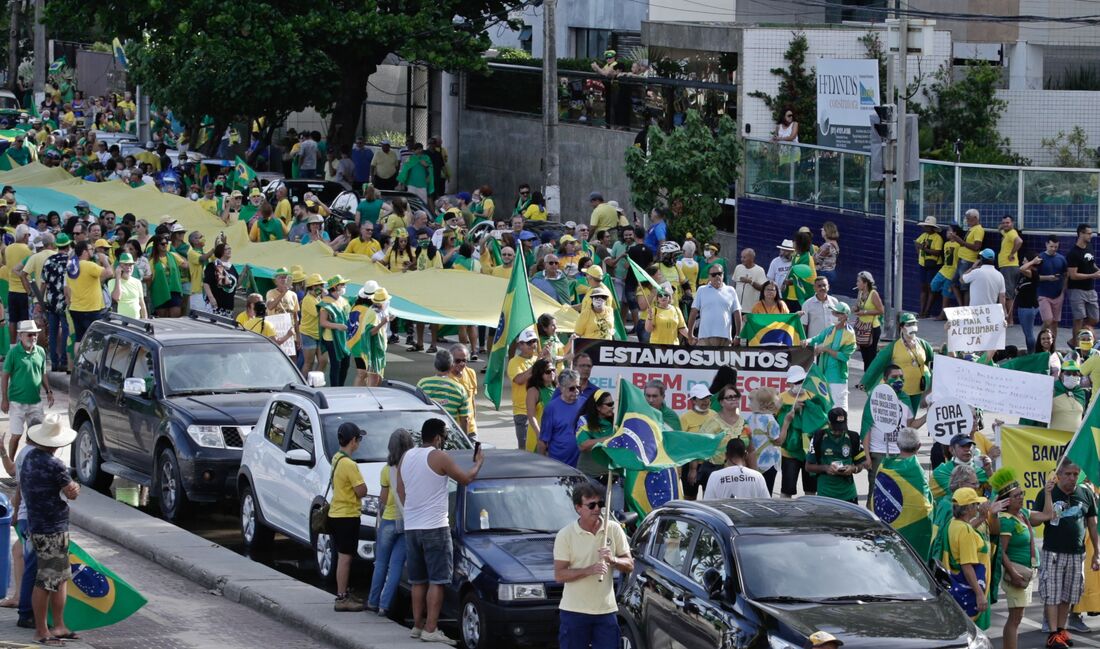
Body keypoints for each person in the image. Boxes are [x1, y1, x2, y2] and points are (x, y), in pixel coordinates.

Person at [397, 418, 484, 645]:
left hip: (412, 526)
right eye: (444, 437)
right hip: (435, 526)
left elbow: (400, 488)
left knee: (417, 580)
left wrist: (413, 510)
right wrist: (478, 463)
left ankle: (417, 626)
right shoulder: (438, 456)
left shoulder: (407, 456)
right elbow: (465, 478)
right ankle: (431, 628)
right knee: (437, 580)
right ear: (437, 437)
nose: (444, 441)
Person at [20, 414, 80, 646]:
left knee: (58, 579)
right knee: (47, 582)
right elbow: (72, 493)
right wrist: (74, 487)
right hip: (52, 529)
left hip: (38, 525)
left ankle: (59, 626)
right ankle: (42, 631)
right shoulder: (55, 465)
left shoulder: (30, 458)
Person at [553, 483, 632, 649]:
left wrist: (613, 560)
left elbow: (629, 564)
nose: (597, 509)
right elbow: (559, 575)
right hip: (574, 611)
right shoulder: (565, 535)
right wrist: (589, 570)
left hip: (605, 611)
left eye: (600, 504)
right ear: (578, 508)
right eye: (591, 505)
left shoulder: (614, 529)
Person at [1034, 460, 1100, 648]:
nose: (1072, 478)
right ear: (1059, 474)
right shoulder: (1049, 492)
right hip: (1053, 552)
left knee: (1068, 595)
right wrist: (1047, 495)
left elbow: (1093, 523)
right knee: (1053, 594)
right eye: (1068, 474)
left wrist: (1097, 551)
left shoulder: (1085, 492)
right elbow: (1036, 521)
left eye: (1075, 474)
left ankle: (1061, 630)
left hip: (1077, 553)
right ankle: (1053, 634)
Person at [994, 467, 1054, 649]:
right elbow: (1000, 551)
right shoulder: (1005, 520)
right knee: (1015, 619)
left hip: (1025, 573)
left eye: (1022, 493)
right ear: (1006, 501)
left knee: (1017, 618)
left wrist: (1048, 493)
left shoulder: (1023, 514)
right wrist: (1012, 572)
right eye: (1016, 495)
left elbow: (1047, 515)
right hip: (1016, 573)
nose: (1021, 497)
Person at [366, 429, 414, 616]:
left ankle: (372, 601)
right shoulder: (411, 469)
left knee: (380, 564)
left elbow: (384, 499)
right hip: (405, 521)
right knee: (395, 566)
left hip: (388, 521)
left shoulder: (386, 470)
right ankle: (384, 606)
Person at [327, 422, 367, 611]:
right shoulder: (350, 465)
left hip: (336, 514)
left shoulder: (336, 458)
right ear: (353, 441)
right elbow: (361, 491)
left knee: (342, 556)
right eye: (358, 439)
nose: (359, 443)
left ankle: (343, 593)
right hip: (347, 516)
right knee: (345, 558)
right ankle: (342, 598)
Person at [940, 487, 993, 627]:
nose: (977, 507)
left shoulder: (953, 523)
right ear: (968, 508)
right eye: (975, 504)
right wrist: (979, 595)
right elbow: (967, 566)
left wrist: (981, 518)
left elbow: (967, 526)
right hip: (969, 589)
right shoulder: (966, 531)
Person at [861, 313, 932, 412]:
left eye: (914, 324)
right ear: (902, 327)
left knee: (912, 417)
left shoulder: (923, 344)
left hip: (918, 388)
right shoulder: (893, 347)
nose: (913, 327)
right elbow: (878, 363)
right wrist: (865, 381)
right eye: (909, 325)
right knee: (902, 418)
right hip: (901, 389)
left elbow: (933, 361)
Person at [3, 321, 53, 458]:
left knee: (36, 435)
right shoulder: (13, 353)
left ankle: (31, 463)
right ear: (21, 336)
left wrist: (49, 391)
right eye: (30, 335)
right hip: (16, 402)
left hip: (35, 401)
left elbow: (43, 374)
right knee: (16, 435)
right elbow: (5, 376)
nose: (33, 337)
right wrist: (4, 400)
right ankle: (11, 464)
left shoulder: (40, 351)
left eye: (35, 334)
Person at [777, 365, 828, 498]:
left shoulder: (813, 396)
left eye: (801, 381)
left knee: (811, 490)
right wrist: (791, 410)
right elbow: (776, 422)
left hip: (809, 452)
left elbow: (822, 420)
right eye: (795, 382)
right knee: (786, 490)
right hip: (789, 453)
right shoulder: (780, 398)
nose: (799, 385)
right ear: (788, 383)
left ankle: (811, 517)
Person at [698, 385, 753, 491]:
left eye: (735, 396)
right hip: (715, 472)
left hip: (740, 474)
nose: (733, 399)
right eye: (729, 397)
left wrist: (755, 474)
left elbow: (751, 451)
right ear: (721, 402)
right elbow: (701, 448)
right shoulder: (712, 423)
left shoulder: (744, 424)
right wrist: (693, 469)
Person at [806, 408, 866, 504]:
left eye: (841, 428)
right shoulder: (818, 436)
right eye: (835, 428)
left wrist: (853, 468)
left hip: (849, 494)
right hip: (825, 495)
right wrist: (825, 468)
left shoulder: (853, 437)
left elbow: (861, 465)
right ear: (829, 423)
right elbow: (808, 467)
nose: (838, 432)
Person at [803, 302, 856, 410]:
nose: (834, 315)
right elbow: (818, 338)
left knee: (839, 406)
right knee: (826, 405)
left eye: (837, 313)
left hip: (837, 376)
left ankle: (841, 426)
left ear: (845, 316)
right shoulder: (831, 329)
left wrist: (826, 349)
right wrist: (807, 341)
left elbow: (844, 356)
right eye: (833, 312)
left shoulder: (849, 334)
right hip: (824, 373)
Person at [65, 240, 112, 354]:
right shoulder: (89, 265)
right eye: (91, 249)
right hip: (91, 309)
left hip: (76, 308)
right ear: (85, 251)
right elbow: (110, 273)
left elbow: (68, 288)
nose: (93, 251)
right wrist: (104, 260)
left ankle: (78, 364)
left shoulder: (71, 266)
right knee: (96, 340)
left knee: (79, 339)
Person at [538, 369, 586, 467]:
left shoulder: (585, 404)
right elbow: (543, 441)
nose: (576, 391)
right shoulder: (551, 408)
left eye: (578, 387)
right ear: (561, 388)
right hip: (558, 464)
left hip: (581, 464)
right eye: (572, 388)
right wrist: (541, 466)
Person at [417, 349, 470, 435]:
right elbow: (465, 419)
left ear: (435, 365)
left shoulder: (423, 384)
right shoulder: (459, 388)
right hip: (450, 435)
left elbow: (417, 411)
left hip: (427, 434)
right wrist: (465, 441)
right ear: (451, 366)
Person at [688, 265, 742, 346]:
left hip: (725, 339)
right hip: (705, 338)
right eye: (713, 275)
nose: (717, 276)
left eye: (719, 274)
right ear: (709, 277)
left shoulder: (731, 290)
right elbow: (693, 313)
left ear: (723, 275)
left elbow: (737, 313)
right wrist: (690, 335)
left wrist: (738, 335)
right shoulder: (701, 290)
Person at [701, 438, 769, 500]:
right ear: (745, 455)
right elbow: (767, 503)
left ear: (726, 455)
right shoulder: (758, 476)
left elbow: (708, 503)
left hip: (723, 513)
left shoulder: (715, 476)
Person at [508, 329, 541, 449]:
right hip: (523, 412)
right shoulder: (514, 362)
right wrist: (538, 364)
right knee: (525, 449)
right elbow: (519, 380)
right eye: (529, 342)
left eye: (534, 341)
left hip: (539, 410)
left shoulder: (538, 358)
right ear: (520, 345)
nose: (533, 345)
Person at [1067, 223, 1100, 339]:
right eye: (1089, 233)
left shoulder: (1089, 246)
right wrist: (1092, 275)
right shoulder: (1073, 253)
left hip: (1090, 289)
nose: (1091, 235)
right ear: (1081, 234)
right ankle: (1077, 347)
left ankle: (1075, 339)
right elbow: (1073, 275)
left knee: (1095, 318)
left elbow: (1091, 263)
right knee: (1078, 319)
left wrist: (1097, 270)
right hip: (1076, 290)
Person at [574, 389, 616, 479]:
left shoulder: (617, 421)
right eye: (609, 404)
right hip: (589, 476)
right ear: (598, 407)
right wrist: (609, 438)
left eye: (612, 404)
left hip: (612, 477)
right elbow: (583, 445)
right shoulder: (585, 420)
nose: (612, 407)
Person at [318, 276, 351, 388]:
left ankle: (340, 387)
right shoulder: (325, 302)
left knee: (346, 364)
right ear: (335, 287)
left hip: (344, 337)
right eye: (342, 285)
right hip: (331, 338)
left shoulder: (344, 300)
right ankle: (335, 389)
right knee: (336, 365)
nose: (344, 287)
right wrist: (337, 326)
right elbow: (322, 322)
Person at [949, 209, 986, 304]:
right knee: (954, 283)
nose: (967, 221)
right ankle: (962, 306)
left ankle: (966, 309)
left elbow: (977, 247)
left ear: (975, 218)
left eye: (968, 219)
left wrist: (961, 241)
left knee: (965, 286)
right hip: (962, 259)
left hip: (968, 260)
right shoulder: (971, 229)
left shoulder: (978, 229)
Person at [1039, 235, 1070, 343]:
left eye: (1056, 247)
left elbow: (1066, 275)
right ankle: (1040, 341)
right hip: (1043, 294)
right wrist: (1048, 278)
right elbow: (1034, 277)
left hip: (1057, 295)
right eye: (1051, 246)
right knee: (1048, 320)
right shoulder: (1040, 258)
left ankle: (1052, 346)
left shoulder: (1061, 259)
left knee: (1055, 323)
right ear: (1046, 244)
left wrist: (1063, 292)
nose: (1053, 249)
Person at [524, 359, 557, 453]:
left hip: (554, 435)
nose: (552, 373)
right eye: (548, 371)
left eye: (553, 370)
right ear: (539, 373)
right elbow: (531, 416)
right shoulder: (533, 391)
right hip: (538, 436)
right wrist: (539, 435)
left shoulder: (557, 389)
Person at [853, 271, 884, 369]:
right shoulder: (860, 292)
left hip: (872, 328)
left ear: (865, 283)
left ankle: (869, 381)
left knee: (871, 356)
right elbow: (859, 306)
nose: (857, 283)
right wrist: (856, 308)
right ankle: (865, 382)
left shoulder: (873, 294)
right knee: (864, 356)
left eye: (859, 281)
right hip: (862, 328)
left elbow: (881, 310)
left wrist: (865, 312)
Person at [960, 249, 1007, 313]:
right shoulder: (1000, 275)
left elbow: (961, 280)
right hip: (990, 312)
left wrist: (972, 268)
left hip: (975, 312)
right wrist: (1004, 310)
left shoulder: (976, 272)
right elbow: (1002, 296)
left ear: (981, 259)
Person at [916, 216, 945, 318]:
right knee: (923, 287)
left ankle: (927, 311)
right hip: (923, 264)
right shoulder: (923, 235)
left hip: (933, 266)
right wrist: (919, 251)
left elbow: (937, 252)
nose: (925, 228)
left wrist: (924, 250)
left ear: (932, 227)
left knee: (931, 288)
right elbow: (917, 242)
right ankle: (922, 310)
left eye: (927, 226)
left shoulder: (938, 238)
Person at [448, 344, 479, 439]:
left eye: (464, 360)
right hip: (453, 430)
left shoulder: (471, 373)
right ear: (450, 360)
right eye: (457, 361)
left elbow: (472, 400)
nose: (461, 364)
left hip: (471, 430)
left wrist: (474, 421)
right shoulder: (445, 377)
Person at [202, 241, 238, 318]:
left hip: (228, 306)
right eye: (226, 249)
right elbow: (206, 283)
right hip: (215, 305)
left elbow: (235, 285)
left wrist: (245, 273)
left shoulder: (232, 267)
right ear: (220, 251)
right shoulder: (212, 266)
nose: (229, 250)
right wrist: (211, 298)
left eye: (230, 248)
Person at [999, 216, 1023, 324]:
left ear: (1012, 223)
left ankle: (1010, 320)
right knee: (1008, 293)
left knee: (1008, 295)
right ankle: (1010, 319)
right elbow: (1000, 229)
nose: (1005, 225)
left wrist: (1011, 254)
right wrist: (1002, 228)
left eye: (1007, 223)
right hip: (1007, 266)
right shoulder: (1007, 233)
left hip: (1009, 266)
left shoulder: (1012, 233)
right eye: (1003, 223)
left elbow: (1019, 242)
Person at [1017, 252, 1043, 352]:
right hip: (1024, 306)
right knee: (1027, 333)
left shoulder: (1032, 272)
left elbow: (1021, 268)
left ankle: (1031, 353)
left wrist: (1033, 261)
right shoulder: (1027, 273)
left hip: (1028, 307)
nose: (1023, 261)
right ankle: (1031, 351)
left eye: (1025, 260)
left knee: (1029, 333)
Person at [731, 248, 767, 313]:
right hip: (737, 308)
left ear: (752, 258)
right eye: (741, 257)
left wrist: (750, 282)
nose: (742, 259)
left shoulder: (759, 270)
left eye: (744, 257)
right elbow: (734, 284)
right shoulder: (738, 267)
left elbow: (762, 288)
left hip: (750, 309)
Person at [814, 221, 840, 286]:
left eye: (822, 229)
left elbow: (816, 260)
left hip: (824, 274)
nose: (821, 231)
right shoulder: (835, 243)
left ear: (826, 232)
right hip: (832, 272)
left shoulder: (827, 246)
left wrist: (813, 253)